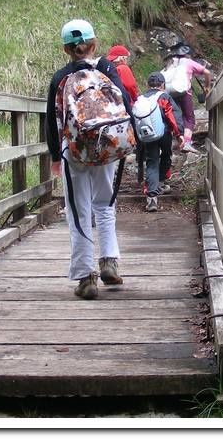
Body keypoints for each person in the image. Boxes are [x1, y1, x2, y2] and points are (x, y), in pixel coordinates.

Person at [46, 19, 136, 300]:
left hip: (74, 151)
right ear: (94, 44)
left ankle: (86, 278)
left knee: (78, 210)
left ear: (65, 49)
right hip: (105, 146)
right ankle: (109, 261)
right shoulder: (107, 69)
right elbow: (124, 104)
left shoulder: (60, 77)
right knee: (105, 203)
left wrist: (54, 155)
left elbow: (51, 120)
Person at [138, 72, 184, 213]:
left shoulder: (141, 98)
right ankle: (161, 182)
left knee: (152, 161)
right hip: (164, 133)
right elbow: (172, 115)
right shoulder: (164, 96)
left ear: (148, 85)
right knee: (166, 155)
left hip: (148, 135)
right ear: (162, 85)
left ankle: (152, 198)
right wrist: (179, 134)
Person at [161, 44, 212, 154]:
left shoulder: (170, 62)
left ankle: (175, 140)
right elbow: (207, 73)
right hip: (184, 92)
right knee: (189, 118)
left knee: (175, 116)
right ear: (188, 54)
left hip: (169, 92)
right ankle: (187, 143)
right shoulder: (188, 62)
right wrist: (207, 87)